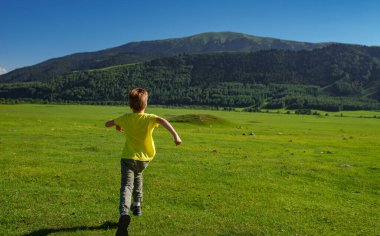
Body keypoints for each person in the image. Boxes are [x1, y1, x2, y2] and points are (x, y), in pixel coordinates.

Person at [105, 88, 182, 236]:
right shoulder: (149, 118)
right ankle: (137, 204)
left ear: (130, 105)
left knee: (126, 186)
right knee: (139, 175)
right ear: (145, 104)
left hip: (128, 157)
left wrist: (117, 124)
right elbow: (163, 120)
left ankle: (123, 214)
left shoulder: (126, 118)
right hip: (145, 158)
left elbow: (107, 123)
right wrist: (176, 136)